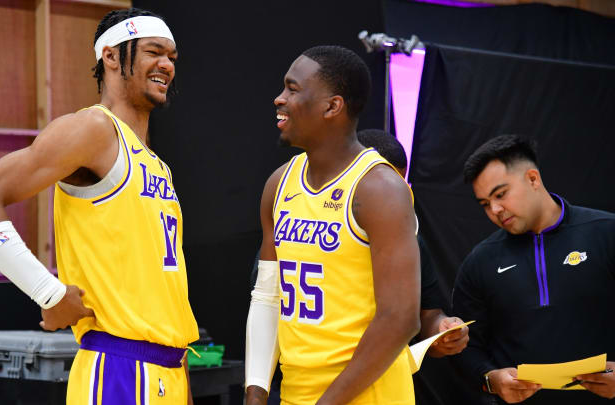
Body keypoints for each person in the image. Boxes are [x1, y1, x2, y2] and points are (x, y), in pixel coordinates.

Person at [0, 9, 199, 405]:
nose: (166, 65)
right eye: (154, 52)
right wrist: (48, 293)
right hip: (119, 369)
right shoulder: (93, 130)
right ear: (112, 57)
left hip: (169, 368)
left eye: (172, 57)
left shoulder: (157, 164)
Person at [245, 46, 421, 405]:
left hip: (367, 393)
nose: (279, 99)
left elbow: (401, 318)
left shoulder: (379, 189)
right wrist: (255, 392)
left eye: (293, 89)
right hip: (298, 391)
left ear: (332, 106)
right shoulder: (278, 184)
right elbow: (267, 296)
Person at [452, 134, 615, 404]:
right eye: (484, 204)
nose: (495, 209)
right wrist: (490, 379)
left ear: (532, 179)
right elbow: (465, 347)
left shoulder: (606, 233)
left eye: (501, 194)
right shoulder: (480, 262)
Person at [357, 129, 469, 359]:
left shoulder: (411, 241)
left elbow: (428, 314)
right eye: (381, 188)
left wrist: (441, 330)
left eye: (398, 187)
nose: (390, 198)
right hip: (310, 377)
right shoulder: (304, 229)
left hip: (388, 385)